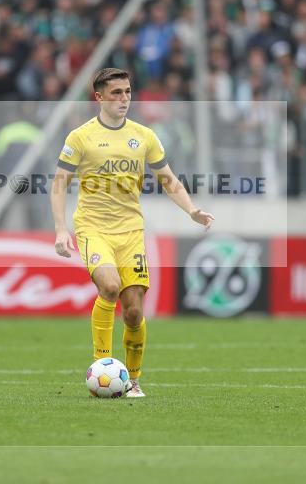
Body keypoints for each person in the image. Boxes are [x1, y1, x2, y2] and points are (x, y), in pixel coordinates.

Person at [50, 68, 214, 398]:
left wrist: (192, 209)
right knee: (109, 286)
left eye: (127, 91)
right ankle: (101, 365)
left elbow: (168, 179)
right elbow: (58, 184)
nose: (124, 98)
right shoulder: (80, 137)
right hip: (93, 229)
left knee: (135, 310)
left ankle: (134, 379)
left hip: (131, 232)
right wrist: (60, 229)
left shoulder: (144, 136)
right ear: (99, 97)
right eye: (116, 93)